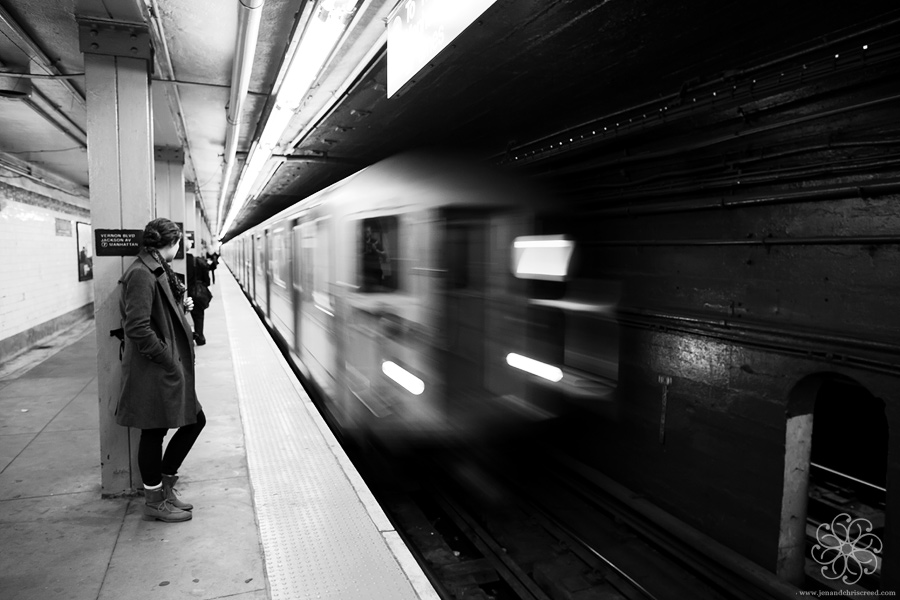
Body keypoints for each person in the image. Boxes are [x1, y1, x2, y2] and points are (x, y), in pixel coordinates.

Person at [116, 218, 206, 523]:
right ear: (172, 243)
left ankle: (165, 487)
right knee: (154, 431)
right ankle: (154, 499)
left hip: (163, 367)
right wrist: (167, 358)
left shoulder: (155, 267)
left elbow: (159, 311)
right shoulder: (142, 274)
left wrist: (183, 307)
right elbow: (137, 327)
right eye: (179, 243)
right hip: (154, 368)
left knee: (189, 420)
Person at [187, 247, 211, 346]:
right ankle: (200, 338)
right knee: (199, 317)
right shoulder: (197, 261)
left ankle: (187, 339)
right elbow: (207, 281)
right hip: (197, 294)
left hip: (185, 293)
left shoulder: (178, 263)